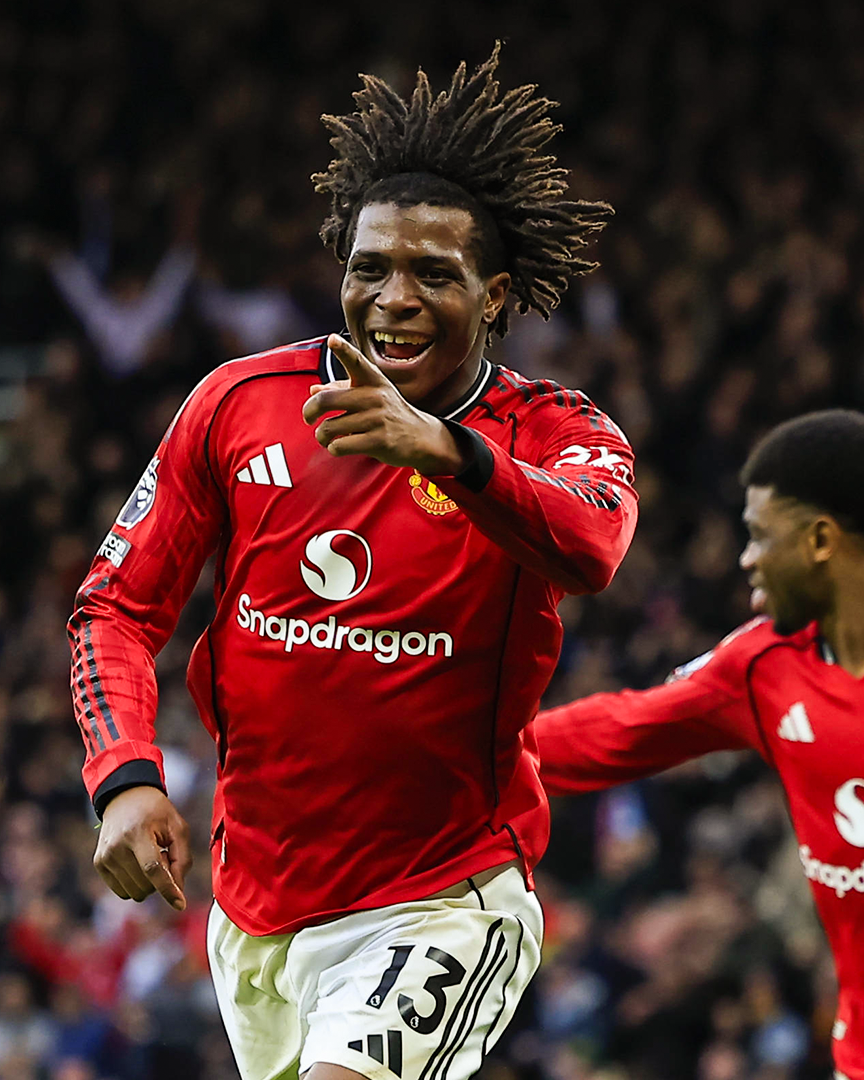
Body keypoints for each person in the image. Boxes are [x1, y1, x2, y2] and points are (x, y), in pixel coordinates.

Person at [69, 46, 638, 1080]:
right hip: (255, 905)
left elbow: (593, 543)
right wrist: (123, 779)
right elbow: (115, 607)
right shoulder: (239, 405)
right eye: (369, 268)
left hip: (442, 896)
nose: (393, 298)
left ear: (496, 295)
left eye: (434, 274)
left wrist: (449, 453)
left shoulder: (550, 429)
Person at [534, 409, 864, 1080]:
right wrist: (449, 751)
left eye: (760, 537)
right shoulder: (766, 664)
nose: (747, 560)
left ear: (820, 540)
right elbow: (618, 730)